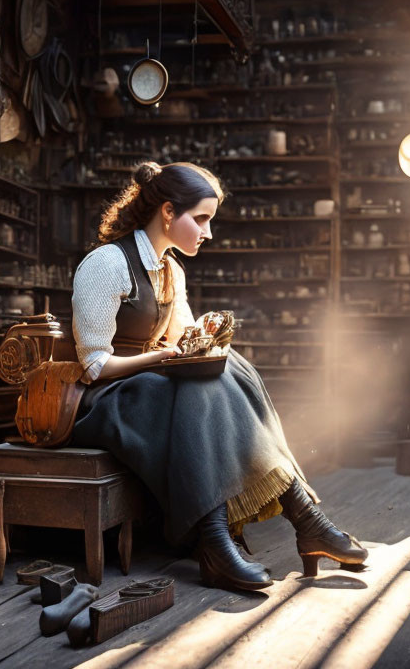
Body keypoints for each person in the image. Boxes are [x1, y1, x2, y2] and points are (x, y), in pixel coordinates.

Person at [70, 161, 367, 590]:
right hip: (104, 402)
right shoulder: (106, 264)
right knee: (190, 385)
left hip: (151, 389)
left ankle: (299, 521)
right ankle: (227, 537)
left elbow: (184, 340)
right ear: (169, 212)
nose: (208, 232)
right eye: (202, 219)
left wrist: (203, 342)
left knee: (231, 368)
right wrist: (162, 359)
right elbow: (94, 366)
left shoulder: (171, 271)